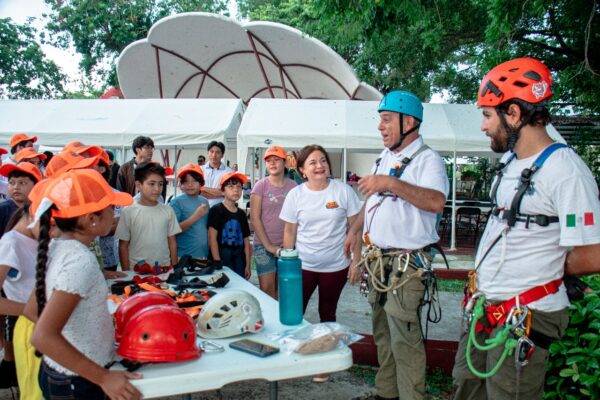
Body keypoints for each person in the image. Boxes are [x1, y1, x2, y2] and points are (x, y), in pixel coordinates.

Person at [452, 58, 600, 399]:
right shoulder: (510, 162)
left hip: (524, 314)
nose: (483, 126)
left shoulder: (566, 172)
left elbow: (593, 253)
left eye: (487, 115)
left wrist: (549, 264)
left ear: (514, 113)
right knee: (466, 388)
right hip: (487, 306)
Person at [345, 90, 448, 400]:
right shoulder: (386, 157)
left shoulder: (428, 160)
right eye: (381, 120)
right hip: (380, 262)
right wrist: (354, 231)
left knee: (404, 338)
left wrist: (389, 183)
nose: (381, 126)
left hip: (406, 265)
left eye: (387, 119)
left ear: (409, 122)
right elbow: (372, 201)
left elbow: (436, 201)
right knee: (383, 334)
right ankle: (386, 393)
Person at [29, 169, 142, 399]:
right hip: (78, 381)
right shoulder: (81, 260)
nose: (115, 213)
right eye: (111, 208)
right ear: (91, 220)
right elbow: (42, 336)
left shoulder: (57, 246)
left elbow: (31, 309)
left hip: (61, 371)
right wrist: (103, 378)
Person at [281, 144, 361, 323]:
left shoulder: (344, 191)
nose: (319, 166)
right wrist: (288, 264)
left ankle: (327, 341)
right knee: (294, 312)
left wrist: (356, 261)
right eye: (313, 162)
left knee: (327, 314)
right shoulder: (295, 195)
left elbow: (356, 229)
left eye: (323, 160)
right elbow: (289, 231)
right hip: (303, 266)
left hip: (336, 266)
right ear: (302, 170)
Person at [0, 201, 42, 397]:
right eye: (52, 223)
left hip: (43, 323)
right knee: (34, 391)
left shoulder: (33, 238)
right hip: (28, 326)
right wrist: (27, 309)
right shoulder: (11, 243)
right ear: (34, 213)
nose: (54, 231)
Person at [250, 145, 297, 298]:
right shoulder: (261, 185)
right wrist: (269, 246)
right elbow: (254, 218)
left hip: (287, 245)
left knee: (284, 288)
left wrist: (290, 243)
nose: (272, 163)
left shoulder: (294, 186)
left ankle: (280, 313)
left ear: (285, 162)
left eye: (276, 159)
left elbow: (297, 217)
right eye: (268, 160)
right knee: (267, 289)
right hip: (263, 244)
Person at [115, 161, 180, 270]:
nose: (157, 189)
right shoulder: (128, 211)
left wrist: (174, 267)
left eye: (160, 184)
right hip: (136, 271)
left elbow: (172, 242)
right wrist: (127, 272)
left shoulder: (168, 211)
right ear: (138, 185)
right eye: (152, 184)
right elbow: (123, 245)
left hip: (163, 269)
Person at [207, 172, 251, 279]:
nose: (236, 190)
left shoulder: (241, 214)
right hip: (221, 258)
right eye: (231, 187)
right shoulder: (216, 210)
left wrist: (248, 265)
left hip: (239, 260)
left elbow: (246, 240)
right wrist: (217, 261)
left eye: (239, 187)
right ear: (223, 191)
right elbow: (212, 238)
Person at [169, 163, 210, 259]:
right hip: (183, 257)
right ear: (181, 184)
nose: (190, 184)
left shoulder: (204, 201)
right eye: (186, 181)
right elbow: (172, 231)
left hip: (203, 255)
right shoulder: (176, 202)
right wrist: (196, 216)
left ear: (201, 183)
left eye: (194, 181)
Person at [0, 162, 43, 236]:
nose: (16, 187)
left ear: (36, 186)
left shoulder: (40, 209)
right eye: (11, 183)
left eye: (22, 183)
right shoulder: (3, 209)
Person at [201, 141, 232, 207]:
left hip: (221, 208)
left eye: (217, 152)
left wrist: (204, 188)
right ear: (208, 153)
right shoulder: (200, 170)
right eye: (211, 151)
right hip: (201, 208)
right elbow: (197, 191)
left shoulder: (229, 172)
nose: (214, 155)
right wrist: (219, 193)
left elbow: (227, 192)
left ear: (222, 155)